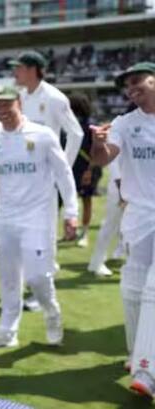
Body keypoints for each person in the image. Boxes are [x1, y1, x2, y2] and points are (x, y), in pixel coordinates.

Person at [0, 87, 78, 348]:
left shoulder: (43, 135)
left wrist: (71, 212)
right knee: (8, 279)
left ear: (19, 103)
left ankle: (51, 313)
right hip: (5, 219)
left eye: (7, 104)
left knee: (38, 277)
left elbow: (64, 174)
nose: (3, 111)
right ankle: (7, 331)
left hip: (38, 218)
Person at [89, 61, 155, 398]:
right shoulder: (124, 124)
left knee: (154, 289)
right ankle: (135, 355)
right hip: (139, 216)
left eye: (138, 81)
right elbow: (103, 158)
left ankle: (147, 370)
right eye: (127, 85)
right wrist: (98, 143)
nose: (131, 88)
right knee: (132, 289)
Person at [10, 50, 84, 312]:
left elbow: (76, 133)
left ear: (33, 69)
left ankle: (43, 294)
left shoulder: (54, 98)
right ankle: (34, 283)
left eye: (19, 67)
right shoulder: (20, 97)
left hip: (45, 178)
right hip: (23, 177)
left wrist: (61, 167)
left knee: (45, 234)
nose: (15, 72)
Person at [68, 93, 102, 248]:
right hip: (73, 166)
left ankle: (85, 233)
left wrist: (90, 170)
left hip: (88, 167)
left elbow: (96, 149)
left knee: (86, 200)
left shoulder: (91, 125)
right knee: (70, 199)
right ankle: (70, 231)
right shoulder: (70, 123)